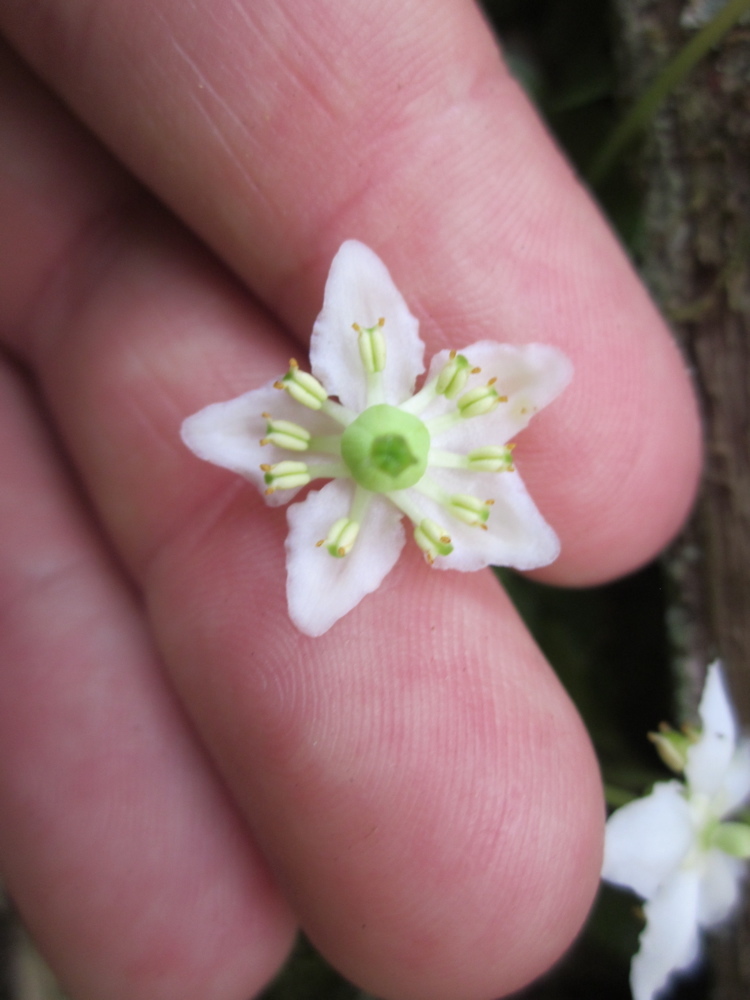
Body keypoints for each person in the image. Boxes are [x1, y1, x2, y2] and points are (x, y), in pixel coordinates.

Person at [0, 3, 701, 999]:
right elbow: (244, 428)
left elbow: (524, 403)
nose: (388, 446)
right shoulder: (317, 411)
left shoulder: (450, 473)